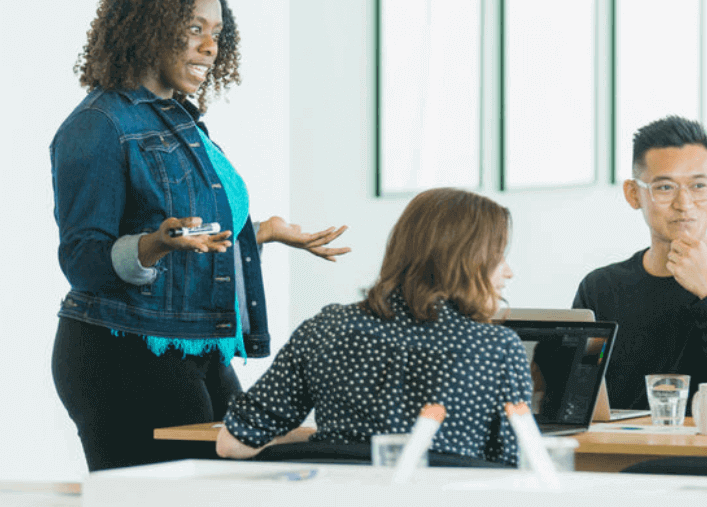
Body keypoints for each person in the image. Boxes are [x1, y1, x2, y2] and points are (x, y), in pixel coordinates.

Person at [51, 0, 349, 472]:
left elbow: (191, 233)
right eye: (194, 29)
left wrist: (258, 233)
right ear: (149, 28)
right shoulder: (97, 125)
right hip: (123, 354)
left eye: (217, 32)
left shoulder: (179, 121)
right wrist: (152, 245)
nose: (211, 47)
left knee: (237, 475)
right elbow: (83, 258)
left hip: (196, 346)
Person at [215, 188, 533, 466]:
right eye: (499, 257)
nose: (509, 272)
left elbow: (232, 444)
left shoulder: (326, 329)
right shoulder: (497, 348)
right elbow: (513, 465)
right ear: (467, 260)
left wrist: (329, 444)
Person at [572, 116, 707, 409]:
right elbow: (575, 394)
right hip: (620, 451)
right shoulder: (599, 289)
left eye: (699, 185)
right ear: (633, 194)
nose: (684, 204)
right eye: (664, 188)